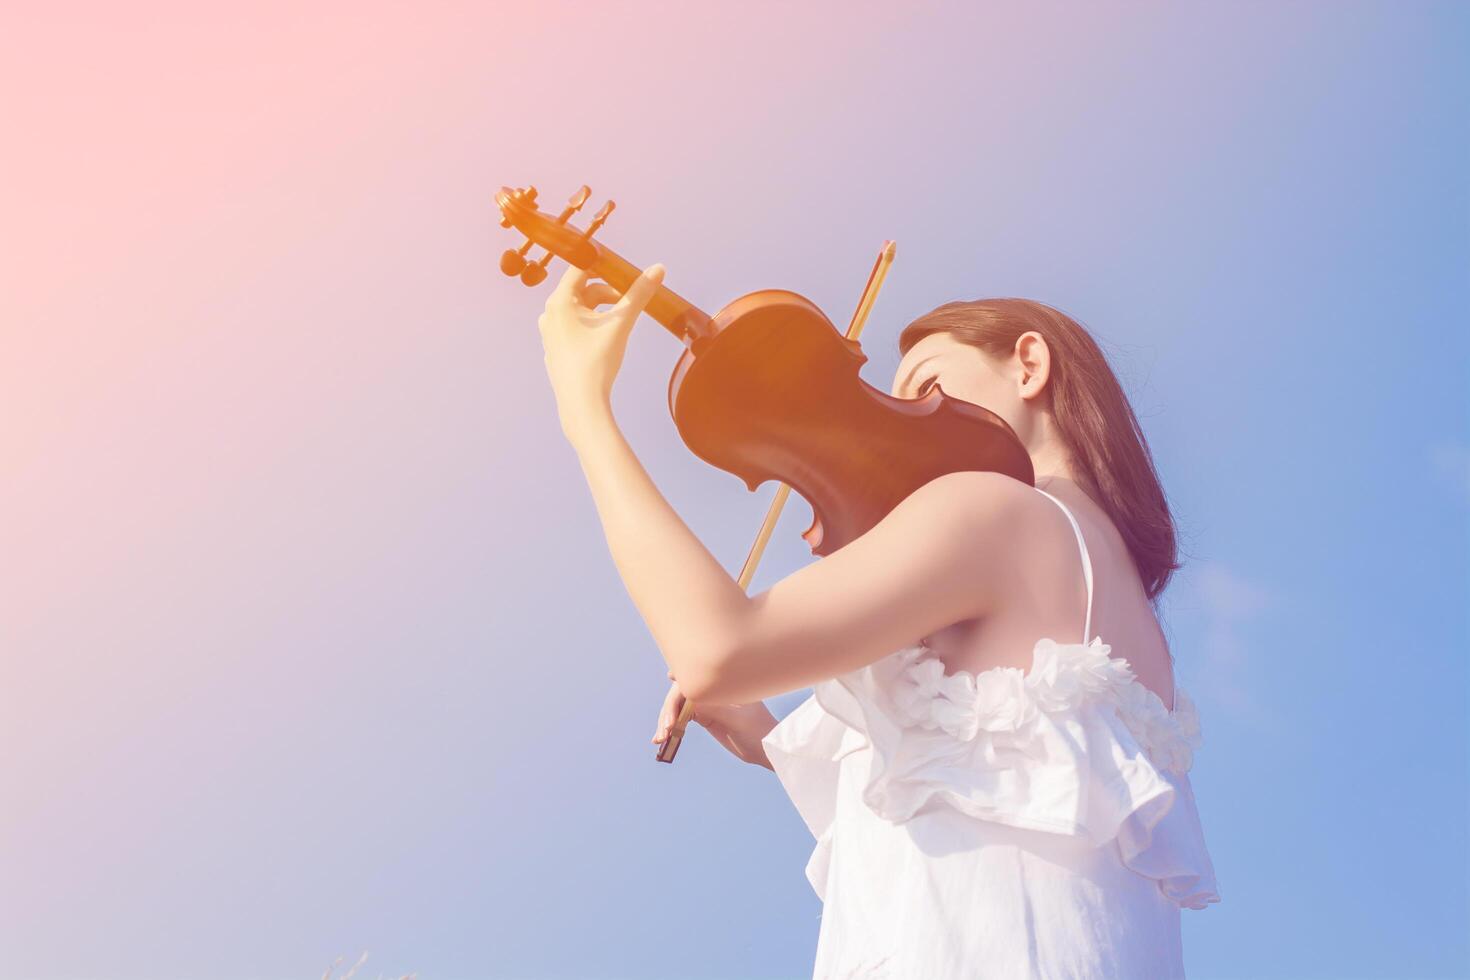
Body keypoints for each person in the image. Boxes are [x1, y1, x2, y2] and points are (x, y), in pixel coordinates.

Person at [538, 261, 1221, 979]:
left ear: (1028, 364)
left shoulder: (995, 510)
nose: (889, 425)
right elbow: (995, 798)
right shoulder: (1130, 624)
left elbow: (715, 647)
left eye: (924, 386)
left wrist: (583, 409)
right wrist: (768, 739)